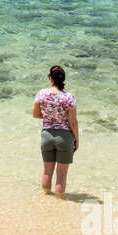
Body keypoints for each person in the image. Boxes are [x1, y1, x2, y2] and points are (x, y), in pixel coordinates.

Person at [32, 65, 79, 196]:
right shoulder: (70, 97)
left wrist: (49, 116)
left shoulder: (41, 94)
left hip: (46, 135)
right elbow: (73, 122)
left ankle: (47, 197)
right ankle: (59, 203)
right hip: (65, 137)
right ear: (63, 79)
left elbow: (35, 114)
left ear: (50, 79)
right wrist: (77, 140)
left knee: (47, 172)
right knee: (62, 175)